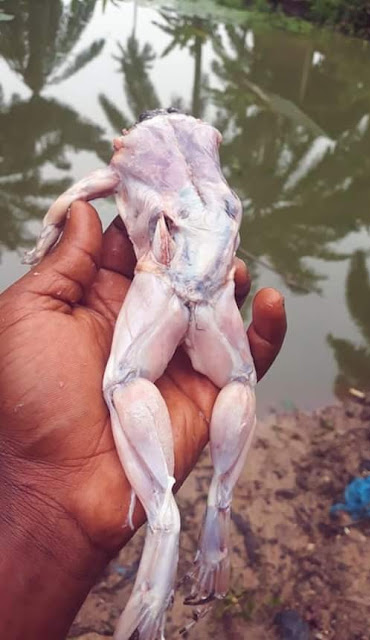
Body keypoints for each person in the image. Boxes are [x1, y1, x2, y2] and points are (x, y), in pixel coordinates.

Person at [0, 202, 287, 639]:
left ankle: (197, 518)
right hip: (202, 287)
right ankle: (207, 514)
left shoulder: (156, 185)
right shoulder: (220, 199)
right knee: (236, 380)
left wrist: (50, 233)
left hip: (174, 283)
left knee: (141, 382)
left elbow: (78, 196)